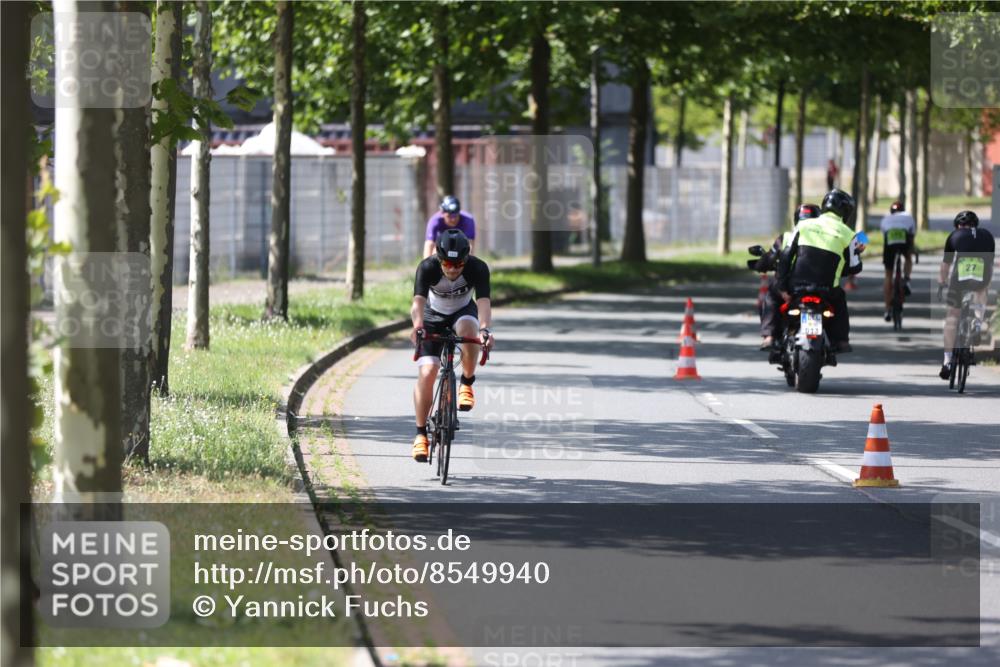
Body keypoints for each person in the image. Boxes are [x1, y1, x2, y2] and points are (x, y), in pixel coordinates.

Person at [410, 229, 493, 462]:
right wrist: (418, 327)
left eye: (459, 264)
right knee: (427, 372)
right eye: (447, 263)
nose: (453, 269)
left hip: (462, 311)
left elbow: (484, 302)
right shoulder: (427, 267)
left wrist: (485, 329)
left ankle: (467, 382)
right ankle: (420, 435)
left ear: (467, 259)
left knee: (470, 331)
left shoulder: (478, 268)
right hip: (432, 316)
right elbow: (417, 303)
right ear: (439, 258)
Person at [776, 189, 866, 354]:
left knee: (775, 300)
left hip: (796, 287)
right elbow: (854, 268)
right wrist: (854, 254)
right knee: (840, 299)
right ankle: (841, 340)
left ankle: (772, 337)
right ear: (846, 212)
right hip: (827, 290)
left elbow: (786, 256)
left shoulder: (803, 225)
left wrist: (782, 286)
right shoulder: (850, 235)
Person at [937, 210, 995, 380]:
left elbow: (946, 266)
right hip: (981, 274)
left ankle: (947, 361)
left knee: (952, 317)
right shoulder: (987, 236)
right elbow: (989, 264)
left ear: (958, 226)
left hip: (960, 278)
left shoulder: (954, 236)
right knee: (981, 291)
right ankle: (977, 324)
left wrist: (942, 284)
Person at [756, 203, 821, 350]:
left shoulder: (786, 237)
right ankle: (839, 340)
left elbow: (770, 258)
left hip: (791, 287)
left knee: (770, 297)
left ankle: (770, 336)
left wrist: (760, 264)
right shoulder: (825, 240)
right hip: (820, 286)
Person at [879, 200, 917, 321]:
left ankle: (887, 310)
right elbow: (912, 233)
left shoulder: (886, 218)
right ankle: (906, 279)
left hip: (889, 240)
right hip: (904, 238)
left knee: (888, 274)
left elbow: (884, 233)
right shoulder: (908, 216)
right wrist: (912, 249)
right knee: (908, 257)